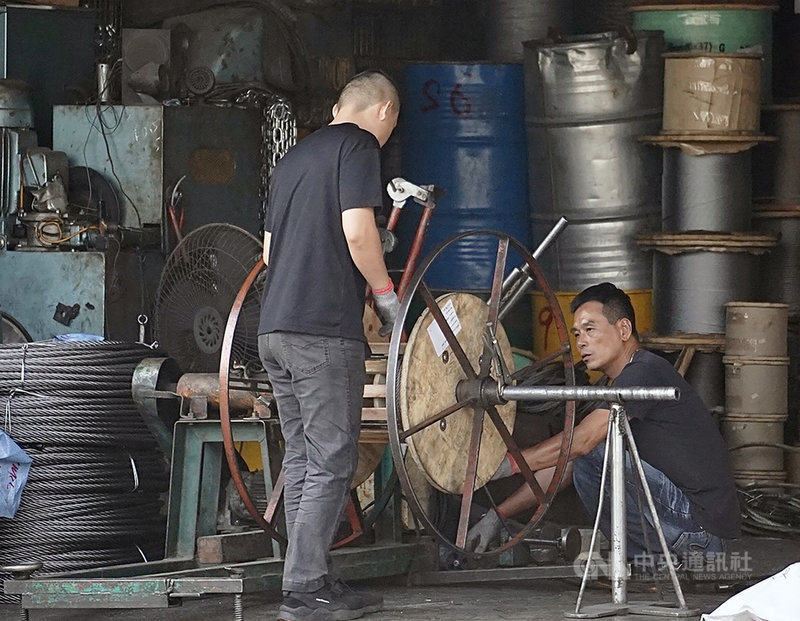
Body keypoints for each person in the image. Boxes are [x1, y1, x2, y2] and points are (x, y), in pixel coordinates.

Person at [257, 70, 401, 621]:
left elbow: (272, 252)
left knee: (303, 457)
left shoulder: (293, 160)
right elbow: (358, 230)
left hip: (275, 328)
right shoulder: (359, 145)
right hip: (321, 331)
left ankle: (311, 577)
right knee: (333, 458)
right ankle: (303, 588)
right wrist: (385, 293)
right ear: (384, 110)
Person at [467, 282, 741, 568]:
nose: (581, 342)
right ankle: (647, 561)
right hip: (686, 527)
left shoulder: (645, 371)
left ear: (623, 330)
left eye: (590, 329)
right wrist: (497, 515)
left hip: (701, 532)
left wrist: (507, 465)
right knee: (588, 455)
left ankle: (652, 559)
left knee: (593, 450)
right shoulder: (621, 384)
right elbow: (564, 467)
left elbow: (582, 443)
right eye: (576, 334)